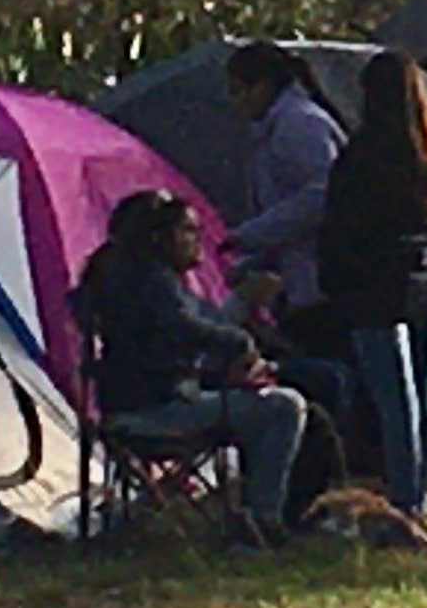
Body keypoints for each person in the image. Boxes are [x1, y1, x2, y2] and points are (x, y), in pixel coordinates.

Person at [78, 190, 312, 547]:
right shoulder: (152, 283)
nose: (198, 240)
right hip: (158, 413)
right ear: (160, 237)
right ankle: (262, 520)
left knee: (276, 394)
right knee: (284, 407)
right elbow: (186, 329)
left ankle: (266, 515)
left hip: (131, 407)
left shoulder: (120, 277)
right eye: (189, 231)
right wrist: (241, 345)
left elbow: (192, 332)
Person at [318, 47, 427, 523]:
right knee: (423, 397)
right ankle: (420, 491)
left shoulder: (360, 159)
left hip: (378, 286)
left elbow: (340, 227)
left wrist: (338, 282)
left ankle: (404, 502)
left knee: (393, 403)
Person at [219, 41, 348, 325]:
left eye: (237, 90)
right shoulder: (271, 130)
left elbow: (318, 197)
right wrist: (250, 263)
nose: (233, 101)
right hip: (301, 281)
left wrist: (249, 235)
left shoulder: (298, 125)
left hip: (324, 280)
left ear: (262, 87)